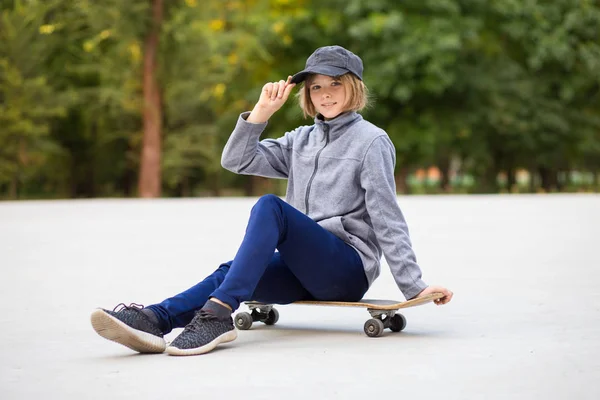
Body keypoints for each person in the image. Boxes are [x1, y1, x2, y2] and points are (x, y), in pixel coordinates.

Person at [90, 45, 453, 356]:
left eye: (335, 84)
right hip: (302, 270)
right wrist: (261, 112)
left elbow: (386, 216)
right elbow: (236, 160)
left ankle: (217, 315)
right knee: (229, 271)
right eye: (315, 87)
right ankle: (156, 320)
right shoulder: (301, 140)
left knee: (271, 206)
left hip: (345, 269)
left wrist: (414, 287)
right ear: (307, 95)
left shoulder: (371, 142)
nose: (324, 94)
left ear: (354, 87)